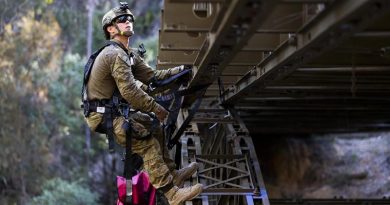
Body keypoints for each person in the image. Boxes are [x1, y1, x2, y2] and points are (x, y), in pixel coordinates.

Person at [83, 3, 203, 205]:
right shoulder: (114, 54)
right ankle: (172, 194)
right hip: (103, 116)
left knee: (154, 126)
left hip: (114, 112)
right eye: (122, 20)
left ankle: (173, 175)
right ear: (111, 29)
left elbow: (153, 77)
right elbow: (130, 92)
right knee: (146, 142)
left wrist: (181, 70)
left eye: (130, 19)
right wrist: (156, 107)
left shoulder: (128, 54)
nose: (128, 22)